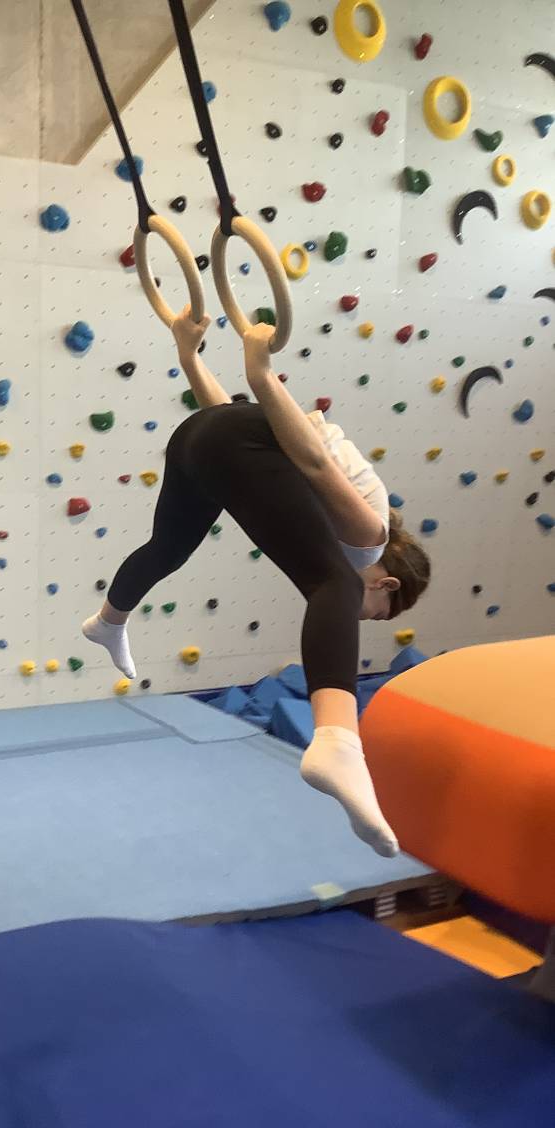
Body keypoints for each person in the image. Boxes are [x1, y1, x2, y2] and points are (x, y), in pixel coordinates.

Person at [83, 307, 430, 857]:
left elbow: (233, 424)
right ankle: (339, 743)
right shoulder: (369, 537)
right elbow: (314, 462)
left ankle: (108, 621)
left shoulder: (347, 529)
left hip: (199, 437)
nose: (360, 621)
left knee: (168, 549)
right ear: (385, 586)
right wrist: (262, 374)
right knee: (333, 585)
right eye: (374, 616)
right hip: (233, 433)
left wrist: (188, 357)